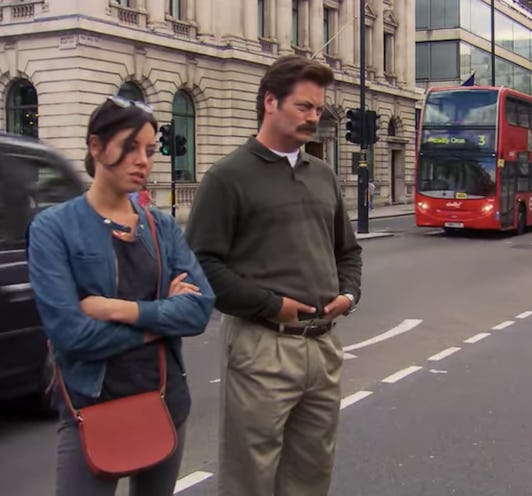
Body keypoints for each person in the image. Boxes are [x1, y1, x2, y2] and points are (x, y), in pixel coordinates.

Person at [185, 55, 363, 496]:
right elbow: (202, 266)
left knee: (311, 474)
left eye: (318, 110)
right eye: (304, 107)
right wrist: (272, 304)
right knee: (251, 476)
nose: (313, 118)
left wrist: (349, 293)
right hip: (262, 346)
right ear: (270, 101)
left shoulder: (322, 175)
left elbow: (348, 250)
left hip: (323, 346)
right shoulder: (227, 177)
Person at [26, 96, 215, 496]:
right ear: (96, 147)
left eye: (149, 150)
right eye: (129, 147)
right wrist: (157, 324)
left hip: (164, 399)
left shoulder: (160, 227)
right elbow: (71, 335)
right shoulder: (53, 228)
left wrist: (118, 309)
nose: (143, 160)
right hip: (89, 406)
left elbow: (199, 309)